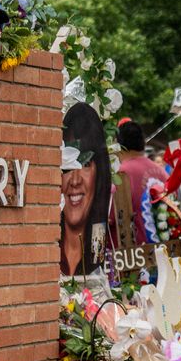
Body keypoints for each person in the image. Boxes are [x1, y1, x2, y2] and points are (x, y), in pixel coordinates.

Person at [61, 103, 113, 277]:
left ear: (99, 173)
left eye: (85, 164)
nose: (75, 180)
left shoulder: (109, 257)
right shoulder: (41, 254)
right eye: (67, 167)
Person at [111, 118, 166, 247]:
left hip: (131, 257)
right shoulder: (163, 173)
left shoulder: (120, 174)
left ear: (119, 145)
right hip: (164, 253)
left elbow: (109, 217)